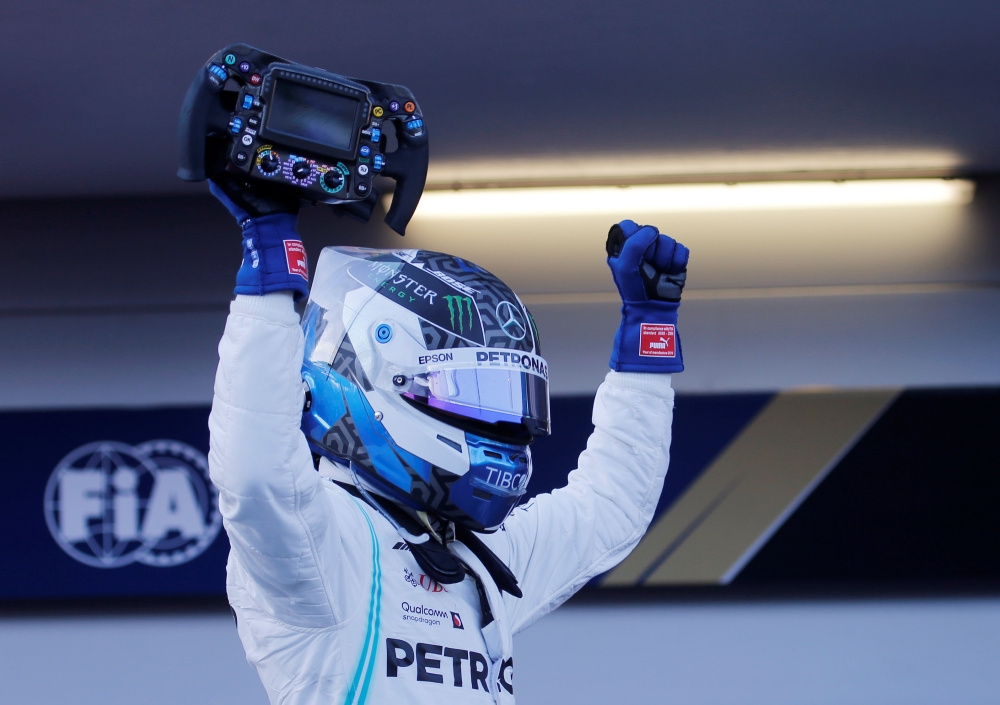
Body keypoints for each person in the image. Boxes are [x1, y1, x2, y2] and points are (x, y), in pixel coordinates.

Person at [206, 177, 688, 705]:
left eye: (509, 395)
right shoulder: (324, 548)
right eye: (470, 390)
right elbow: (255, 475)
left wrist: (649, 336)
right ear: (379, 380)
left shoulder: (474, 556)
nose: (503, 420)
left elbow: (610, 507)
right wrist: (272, 270)